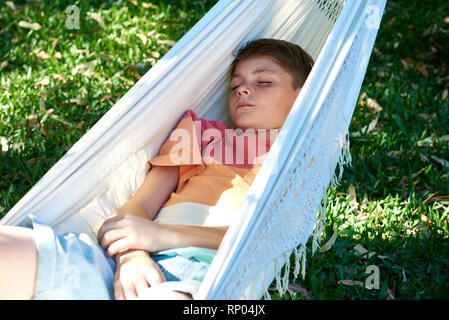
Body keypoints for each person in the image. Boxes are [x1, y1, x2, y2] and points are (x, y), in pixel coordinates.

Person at [0, 38, 314, 300]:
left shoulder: (300, 158)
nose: (243, 90)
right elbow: (139, 204)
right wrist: (131, 254)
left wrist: (159, 236)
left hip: (202, 278)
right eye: (235, 85)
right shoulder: (199, 132)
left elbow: (269, 236)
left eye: (263, 81)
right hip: (127, 265)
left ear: (303, 96)